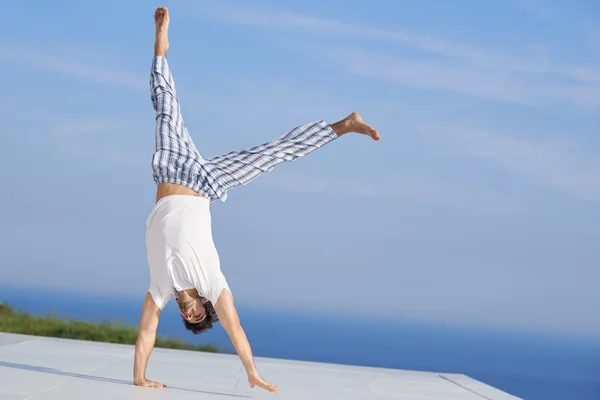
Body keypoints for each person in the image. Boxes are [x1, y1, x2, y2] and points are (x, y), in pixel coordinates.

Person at [133, 6, 380, 393]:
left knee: (165, 107)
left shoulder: (160, 288)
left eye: (190, 319)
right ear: (204, 305)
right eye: (199, 316)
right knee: (272, 154)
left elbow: (147, 330)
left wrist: (138, 377)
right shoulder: (211, 283)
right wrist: (251, 370)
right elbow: (235, 328)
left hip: (171, 170)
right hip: (206, 182)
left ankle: (160, 48)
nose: (192, 313)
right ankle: (344, 126)